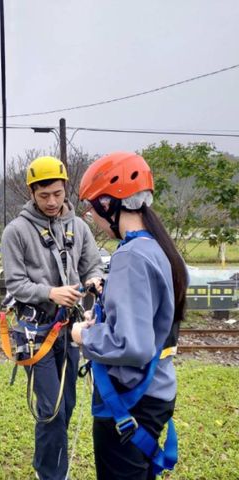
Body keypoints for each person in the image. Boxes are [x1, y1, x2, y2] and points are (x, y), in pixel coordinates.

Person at [71, 151, 188, 480]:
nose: (92, 217)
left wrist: (83, 334)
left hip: (131, 400)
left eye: (93, 208)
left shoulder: (131, 256)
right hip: (155, 393)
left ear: (109, 205)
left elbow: (132, 346)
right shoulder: (158, 247)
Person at [1, 156, 104, 480]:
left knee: (68, 405)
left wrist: (94, 281)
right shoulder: (16, 232)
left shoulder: (79, 227)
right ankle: (50, 475)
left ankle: (47, 467)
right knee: (51, 410)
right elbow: (16, 283)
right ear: (32, 192)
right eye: (44, 195)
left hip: (70, 330)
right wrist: (51, 292)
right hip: (35, 331)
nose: (52, 202)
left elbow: (93, 265)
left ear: (65, 189)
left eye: (57, 194)